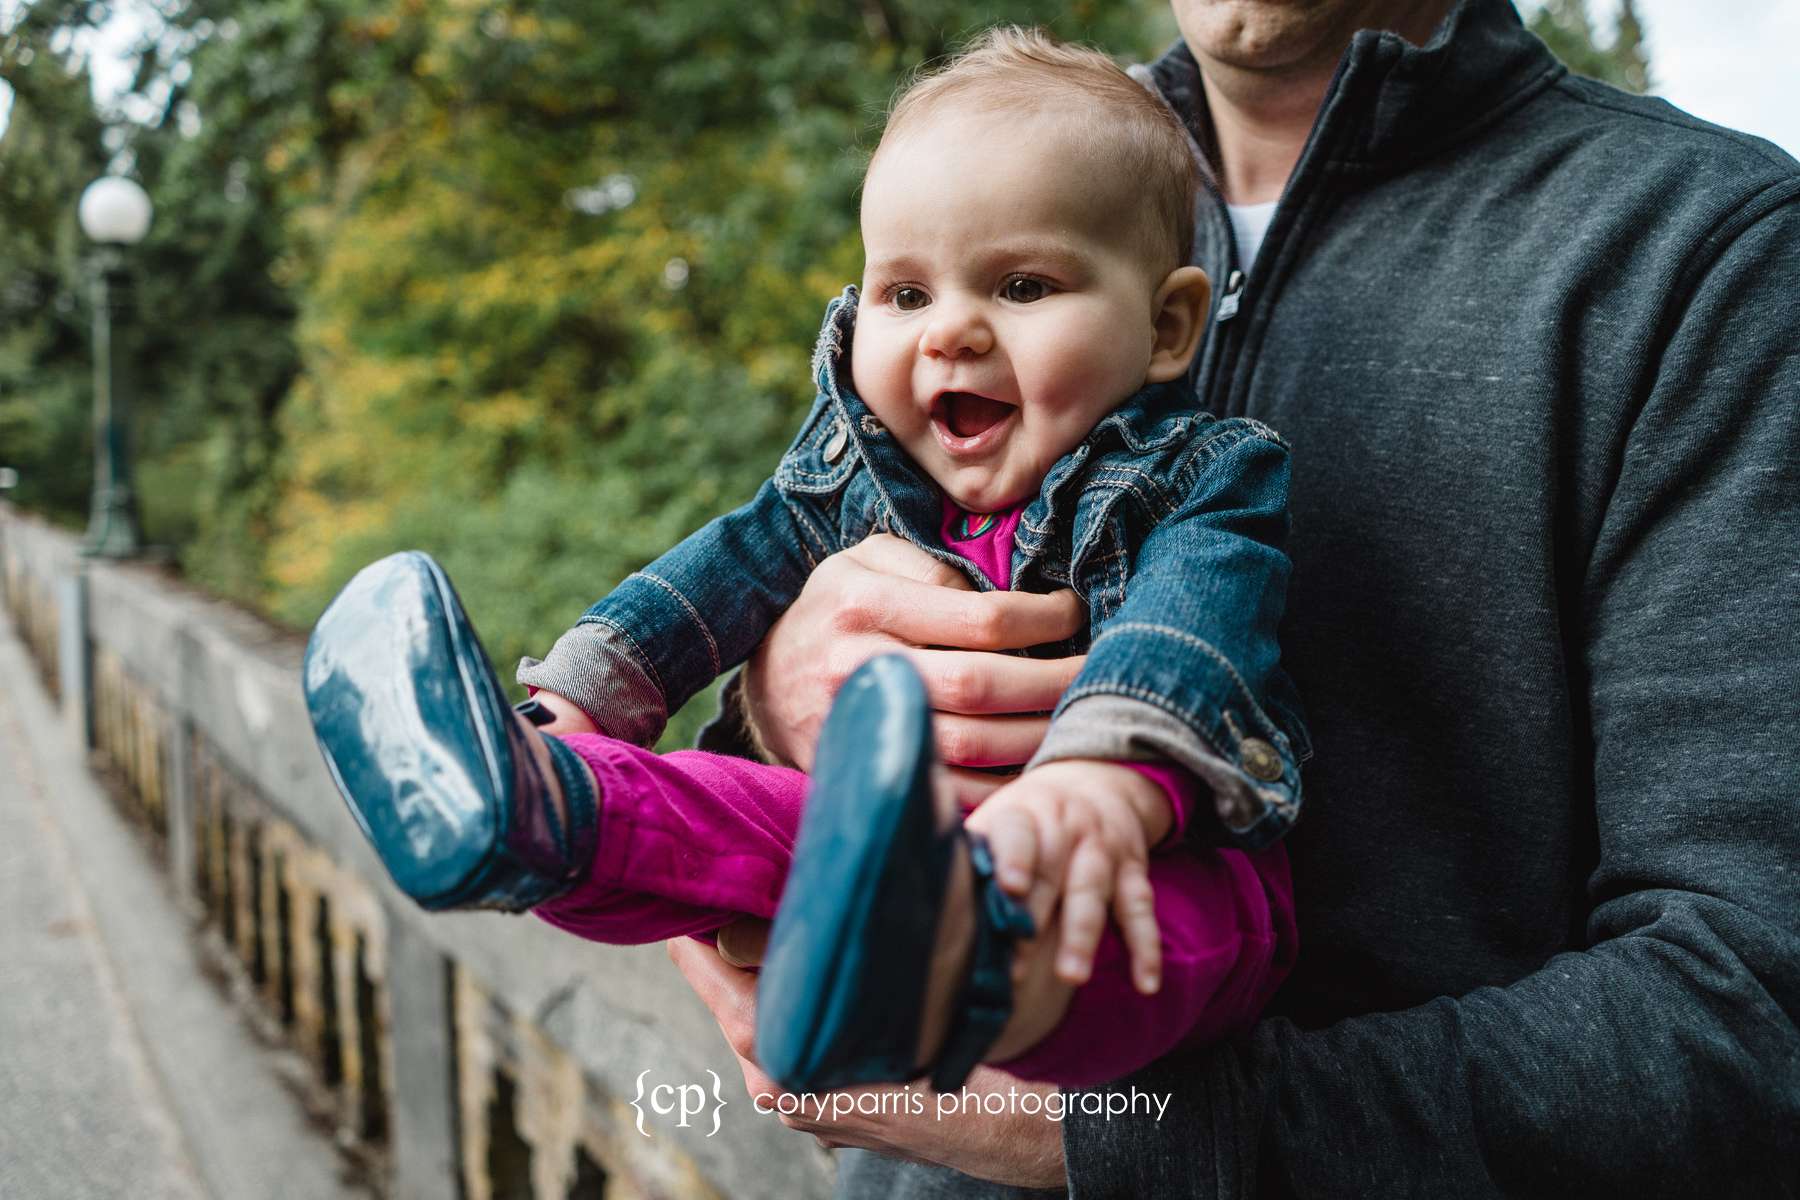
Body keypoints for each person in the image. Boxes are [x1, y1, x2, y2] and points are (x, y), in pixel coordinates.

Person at [658, 0, 1800, 1195]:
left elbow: (1753, 1003)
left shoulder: (1706, 256)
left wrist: (1137, 1132)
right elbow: (790, 543)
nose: (952, 324)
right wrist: (773, 707)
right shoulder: (996, 164)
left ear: (1171, 322)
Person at [304, 30, 1307, 1099]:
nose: (949, 333)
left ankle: (956, 965)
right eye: (905, 294)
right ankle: (534, 807)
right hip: (876, 849)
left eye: (1020, 285)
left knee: (1147, 909)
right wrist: (582, 704)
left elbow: (1190, 633)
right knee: (730, 812)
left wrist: (1104, 784)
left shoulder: (1203, 475)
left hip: (1133, 861)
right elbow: (708, 585)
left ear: (1166, 326)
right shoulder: (851, 475)